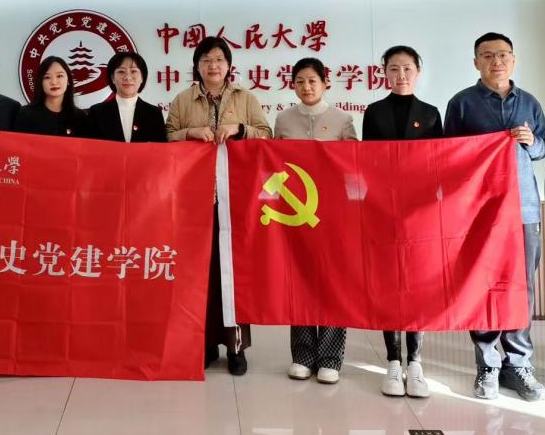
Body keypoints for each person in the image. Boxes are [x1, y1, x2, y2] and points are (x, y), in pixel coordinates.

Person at [444, 32, 545, 402]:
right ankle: (487, 364)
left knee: (522, 287)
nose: (496, 61)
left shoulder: (530, 103)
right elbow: (449, 155)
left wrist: (531, 143)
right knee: (483, 284)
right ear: (476, 62)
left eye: (503, 54)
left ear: (513, 59)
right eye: (487, 55)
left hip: (524, 209)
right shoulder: (461, 104)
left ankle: (518, 364)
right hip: (480, 212)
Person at [167, 37, 271, 375]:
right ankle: (206, 343)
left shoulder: (246, 98)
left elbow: (266, 135)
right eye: (206, 60)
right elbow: (167, 136)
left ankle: (236, 348)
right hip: (195, 198)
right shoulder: (183, 100)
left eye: (219, 59)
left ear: (228, 65)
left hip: (236, 198)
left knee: (234, 273)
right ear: (197, 66)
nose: (213, 65)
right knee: (200, 272)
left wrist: (239, 129)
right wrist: (190, 133)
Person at [362, 45, 443, 398]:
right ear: (384, 73)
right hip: (383, 208)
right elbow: (366, 161)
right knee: (389, 282)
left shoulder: (430, 114)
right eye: (393, 68)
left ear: (418, 71)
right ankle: (393, 361)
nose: (401, 75)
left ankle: (416, 361)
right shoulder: (374, 112)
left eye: (407, 68)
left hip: (420, 211)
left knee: (416, 283)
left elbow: (439, 163)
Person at [274, 57, 357, 386]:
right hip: (297, 213)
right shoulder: (283, 120)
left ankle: (331, 357)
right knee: (300, 279)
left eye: (312, 81)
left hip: (333, 213)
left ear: (325, 82)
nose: (306, 87)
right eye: (300, 81)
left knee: (333, 281)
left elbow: (354, 166)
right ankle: (303, 355)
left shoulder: (342, 120)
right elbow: (275, 167)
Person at [86, 51, 166, 143]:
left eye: (133, 71)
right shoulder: (97, 113)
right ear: (112, 78)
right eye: (121, 71)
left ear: (142, 77)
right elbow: (90, 148)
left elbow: (160, 149)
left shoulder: (154, 113)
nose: (128, 77)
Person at [15, 56, 88, 137]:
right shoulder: (26, 114)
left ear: (68, 81)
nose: (54, 82)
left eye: (59, 76)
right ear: (40, 82)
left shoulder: (80, 118)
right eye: (47, 77)